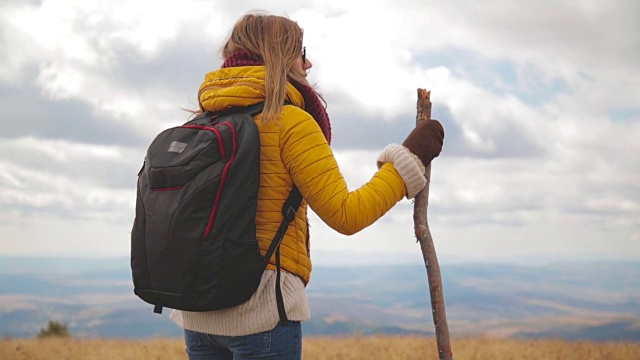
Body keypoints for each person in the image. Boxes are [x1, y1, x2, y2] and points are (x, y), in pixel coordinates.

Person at [169, 11, 444, 360]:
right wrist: (407, 160)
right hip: (261, 311)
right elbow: (347, 214)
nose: (308, 63)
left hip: (196, 310)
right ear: (282, 57)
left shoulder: (200, 123)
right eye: (301, 53)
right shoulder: (289, 122)